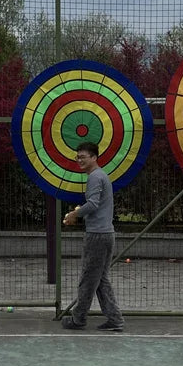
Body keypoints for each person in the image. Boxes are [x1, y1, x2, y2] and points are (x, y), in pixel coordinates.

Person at [61, 142, 125, 332]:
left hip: (97, 235)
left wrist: (74, 214)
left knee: (88, 279)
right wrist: (81, 213)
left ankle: (78, 319)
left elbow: (93, 204)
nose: (79, 160)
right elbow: (95, 205)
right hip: (106, 234)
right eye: (77, 157)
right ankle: (115, 320)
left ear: (94, 158)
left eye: (83, 157)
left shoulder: (95, 177)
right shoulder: (100, 176)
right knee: (101, 280)